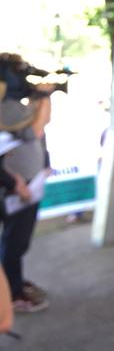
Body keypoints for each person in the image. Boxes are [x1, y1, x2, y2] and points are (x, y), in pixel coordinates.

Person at [0, 53, 52, 313]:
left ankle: (14, 282)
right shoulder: (5, 106)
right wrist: (12, 183)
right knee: (13, 242)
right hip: (15, 186)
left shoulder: (12, 103)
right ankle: (12, 294)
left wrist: (41, 97)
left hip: (25, 181)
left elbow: (38, 127)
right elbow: (35, 129)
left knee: (15, 242)